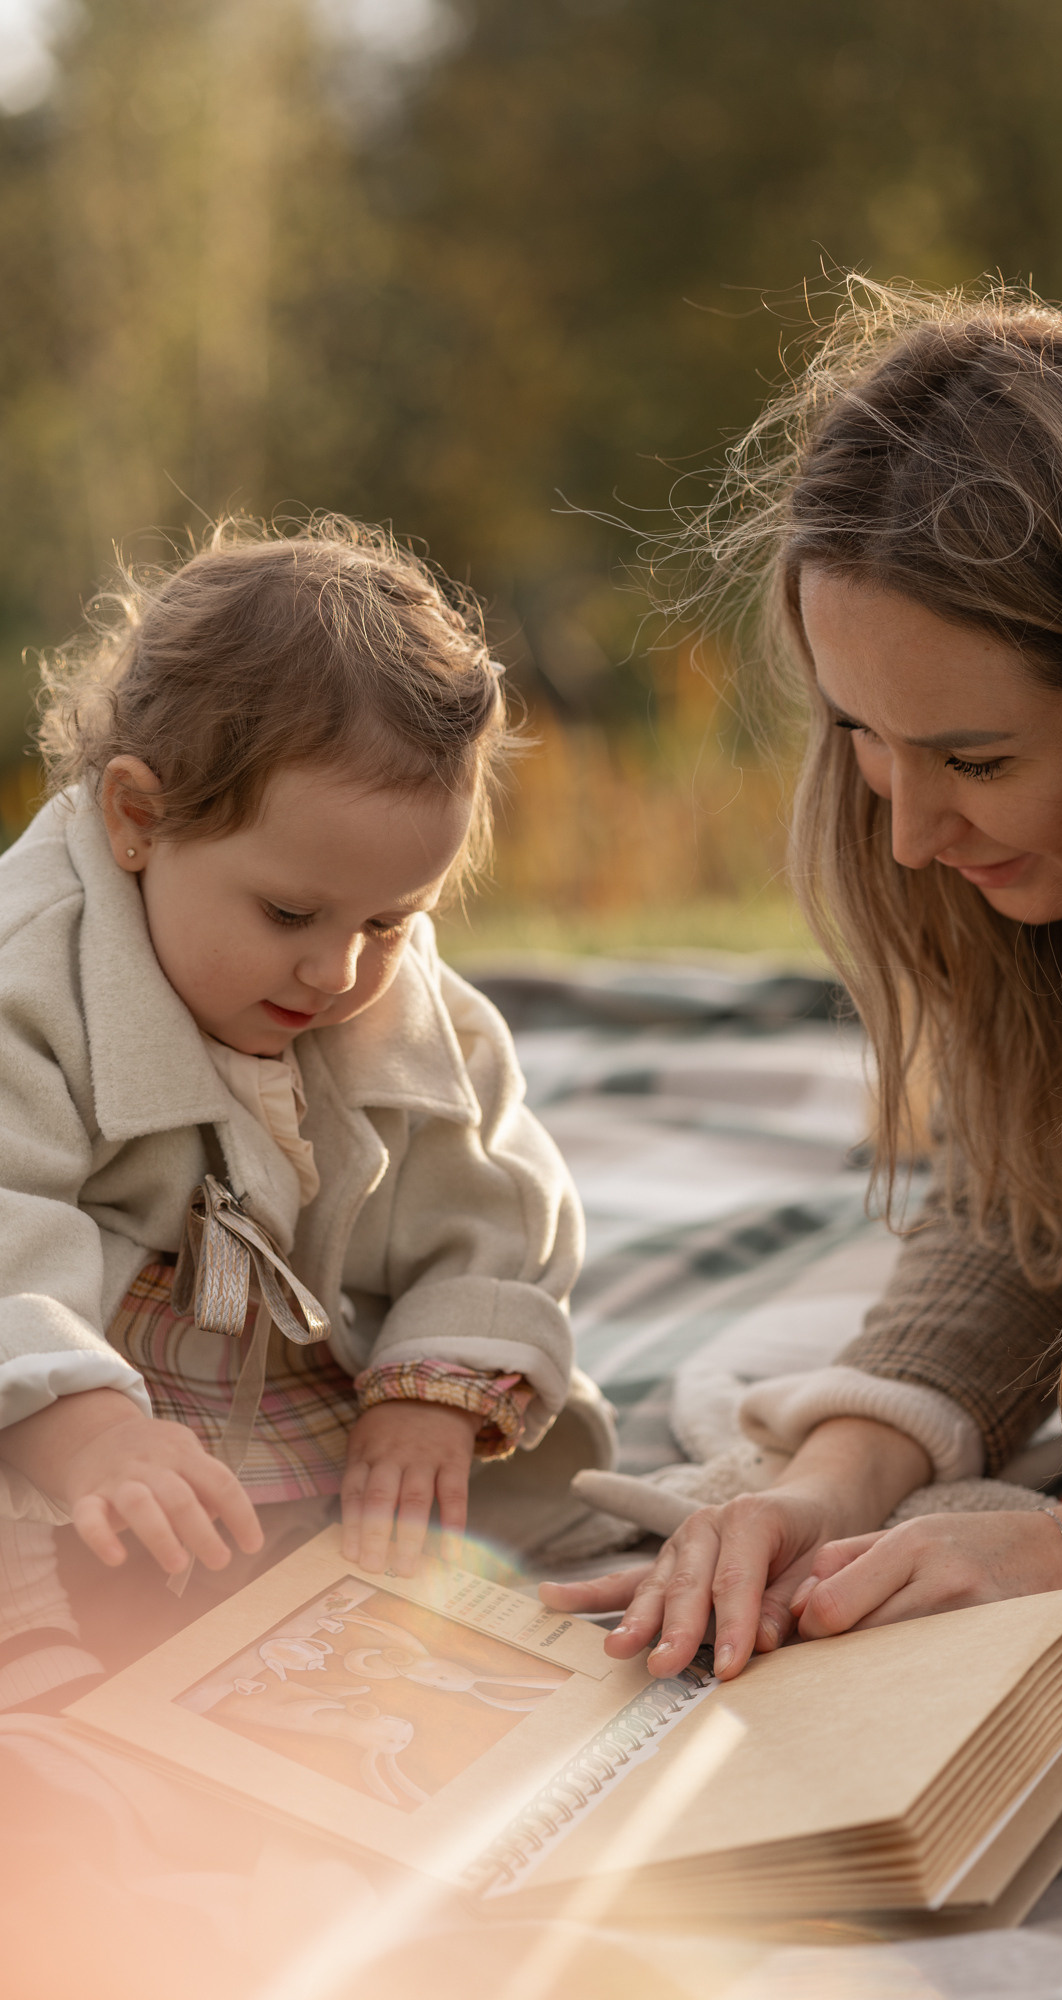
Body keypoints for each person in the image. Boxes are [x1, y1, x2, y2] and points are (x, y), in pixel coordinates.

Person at [543, 285, 1062, 1681]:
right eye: (862, 735)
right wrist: (831, 1477)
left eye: (975, 763)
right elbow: (1032, 1186)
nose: (907, 835)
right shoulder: (1033, 845)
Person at [0, 517, 597, 1712]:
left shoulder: (396, 1005)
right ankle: (35, 1658)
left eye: (390, 920)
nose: (337, 970)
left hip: (274, 1402)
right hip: (65, 1411)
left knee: (447, 1510)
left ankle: (317, 1610)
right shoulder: (31, 979)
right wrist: (85, 1434)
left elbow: (487, 1205)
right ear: (135, 816)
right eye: (288, 913)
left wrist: (432, 1389)